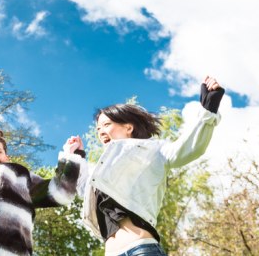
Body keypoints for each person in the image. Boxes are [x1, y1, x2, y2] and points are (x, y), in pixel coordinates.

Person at [76, 75, 225, 256]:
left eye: (106, 125)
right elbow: (82, 189)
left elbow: (188, 149)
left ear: (128, 127)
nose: (101, 132)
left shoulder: (152, 150)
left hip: (141, 250)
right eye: (98, 129)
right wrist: (76, 157)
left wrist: (208, 110)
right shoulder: (101, 172)